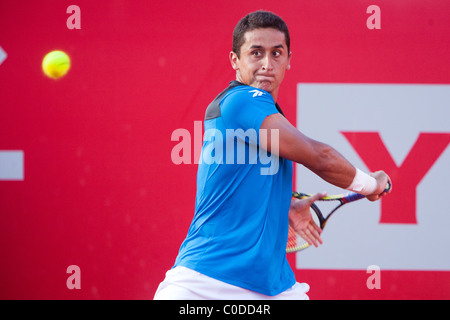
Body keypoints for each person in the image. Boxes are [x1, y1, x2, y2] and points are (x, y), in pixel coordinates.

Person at [154, 10, 391, 300]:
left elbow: (239, 184)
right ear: (234, 61)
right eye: (256, 53)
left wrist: (281, 206)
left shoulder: (265, 115)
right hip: (203, 286)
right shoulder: (241, 101)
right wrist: (371, 184)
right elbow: (320, 156)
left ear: (289, 60)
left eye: (277, 53)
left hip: (273, 287)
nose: (267, 64)